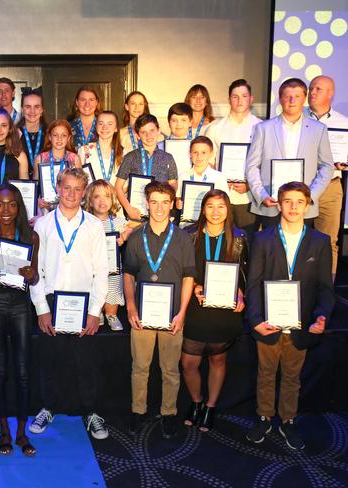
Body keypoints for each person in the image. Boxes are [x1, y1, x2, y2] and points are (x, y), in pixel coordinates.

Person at [245, 182, 334, 450]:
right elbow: (253, 283)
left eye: (299, 201)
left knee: (292, 376)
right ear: (279, 204)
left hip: (302, 323)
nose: (293, 207)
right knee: (266, 373)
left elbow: (325, 288)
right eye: (288, 201)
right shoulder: (262, 239)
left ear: (308, 205)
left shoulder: (320, 242)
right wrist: (257, 320)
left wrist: (321, 317)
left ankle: (288, 421)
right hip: (268, 323)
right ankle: (264, 417)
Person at [29, 167, 110, 441]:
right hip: (53, 301)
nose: (71, 194)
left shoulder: (94, 226)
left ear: (84, 192)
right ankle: (48, 407)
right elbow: (35, 271)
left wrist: (95, 312)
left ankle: (91, 411)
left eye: (77, 189)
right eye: (67, 188)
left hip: (83, 302)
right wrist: (42, 308)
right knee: (51, 360)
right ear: (57, 188)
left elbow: (102, 271)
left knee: (85, 361)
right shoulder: (43, 224)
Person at [123, 181, 195, 439]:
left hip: (173, 314)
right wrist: (130, 306)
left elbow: (189, 277)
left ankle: (168, 413)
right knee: (140, 366)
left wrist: (183, 312)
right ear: (147, 203)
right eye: (154, 202)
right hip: (141, 314)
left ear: (173, 204)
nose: (159, 208)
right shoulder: (135, 237)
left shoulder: (183, 238)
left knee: (170, 368)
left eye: (165, 202)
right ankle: (138, 411)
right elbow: (129, 275)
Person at [0, 184, 39, 456]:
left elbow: (35, 277)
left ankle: (22, 433)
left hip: (21, 305)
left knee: (23, 371)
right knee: (0, 370)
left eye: (12, 204)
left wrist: (30, 274)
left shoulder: (31, 237)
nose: (6, 210)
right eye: (0, 204)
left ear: (19, 207)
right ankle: (4, 430)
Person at [181, 190, 248, 432]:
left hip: (225, 308)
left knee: (218, 358)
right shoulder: (189, 235)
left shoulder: (240, 238)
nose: (216, 211)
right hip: (196, 307)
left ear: (228, 209)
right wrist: (195, 285)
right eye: (210, 206)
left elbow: (248, 273)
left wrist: (241, 292)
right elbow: (181, 269)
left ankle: (210, 406)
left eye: (221, 206)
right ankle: (196, 401)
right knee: (189, 362)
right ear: (203, 209)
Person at [246, 78, 334, 230]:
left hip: (303, 208)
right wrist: (262, 195)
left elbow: (327, 166)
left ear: (304, 99)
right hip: (272, 204)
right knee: (271, 251)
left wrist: (310, 196)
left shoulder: (318, 129)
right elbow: (252, 166)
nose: (292, 100)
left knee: (301, 252)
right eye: (287, 96)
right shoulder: (263, 128)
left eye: (297, 96)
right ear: (280, 99)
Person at [204, 79, 262, 237]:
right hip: (222, 197)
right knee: (222, 240)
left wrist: (250, 185)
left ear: (251, 99)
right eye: (235, 96)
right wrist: (221, 180)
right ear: (229, 99)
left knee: (248, 242)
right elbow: (207, 161)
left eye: (244, 96)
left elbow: (265, 163)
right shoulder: (215, 128)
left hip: (248, 197)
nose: (240, 100)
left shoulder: (262, 127)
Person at [306, 75, 348, 279]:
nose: (312, 92)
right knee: (298, 239)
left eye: (318, 89)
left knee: (329, 240)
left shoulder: (343, 122)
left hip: (331, 187)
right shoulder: (298, 118)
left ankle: (326, 291)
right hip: (302, 185)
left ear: (331, 94)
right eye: (311, 88)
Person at [84, 179, 133, 331]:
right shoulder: (86, 221)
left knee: (112, 289)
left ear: (113, 200)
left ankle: (111, 315)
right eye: (97, 196)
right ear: (90, 201)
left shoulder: (117, 222)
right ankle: (95, 312)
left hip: (112, 269)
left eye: (106, 196)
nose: (102, 200)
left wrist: (124, 236)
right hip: (92, 268)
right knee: (92, 288)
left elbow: (131, 228)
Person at [115, 114, 178, 223]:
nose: (148, 135)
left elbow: (173, 185)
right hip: (136, 215)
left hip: (160, 215)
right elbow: (118, 187)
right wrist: (128, 209)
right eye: (143, 132)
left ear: (159, 131)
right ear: (137, 135)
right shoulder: (130, 157)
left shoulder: (168, 158)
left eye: (152, 130)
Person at [33, 119, 82, 212]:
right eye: (55, 135)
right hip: (45, 208)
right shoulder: (40, 159)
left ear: (68, 138)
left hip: (69, 206)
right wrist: (37, 200)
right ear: (50, 137)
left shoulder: (75, 158)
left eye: (63, 135)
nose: (59, 139)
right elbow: (35, 187)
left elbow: (80, 185)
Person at [175, 136, 228, 218]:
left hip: (210, 223)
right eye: (195, 152)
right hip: (187, 223)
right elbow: (178, 198)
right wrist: (178, 203)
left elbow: (225, 203)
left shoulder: (219, 178)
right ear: (190, 154)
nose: (199, 156)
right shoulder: (183, 176)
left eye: (203, 152)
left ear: (211, 154)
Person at [78, 111, 123, 188]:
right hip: (91, 198)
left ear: (116, 128)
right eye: (101, 123)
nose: (105, 127)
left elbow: (126, 184)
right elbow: (78, 180)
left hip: (115, 198)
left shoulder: (124, 153)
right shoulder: (84, 150)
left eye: (110, 124)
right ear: (96, 127)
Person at [16, 88, 47, 175]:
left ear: (42, 110)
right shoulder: (14, 134)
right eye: (28, 107)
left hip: (45, 185)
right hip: (21, 185)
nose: (32, 111)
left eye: (36, 107)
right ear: (22, 109)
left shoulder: (50, 134)